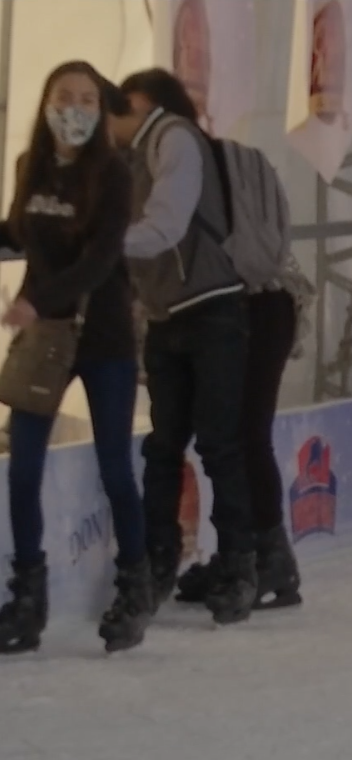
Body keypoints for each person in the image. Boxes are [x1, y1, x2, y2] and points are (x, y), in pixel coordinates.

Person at [117, 67, 303, 612]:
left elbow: (171, 233)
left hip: (250, 302)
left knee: (241, 434)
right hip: (237, 301)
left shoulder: (188, 156)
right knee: (227, 435)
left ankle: (265, 559)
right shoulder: (164, 162)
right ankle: (247, 557)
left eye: (132, 108)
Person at [0, 61, 150, 654]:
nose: (76, 109)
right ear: (46, 103)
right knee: (23, 467)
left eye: (88, 99)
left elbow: (101, 258)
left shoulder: (113, 174)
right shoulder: (30, 166)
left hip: (103, 337)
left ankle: (133, 587)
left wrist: (37, 301)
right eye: (66, 96)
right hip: (45, 342)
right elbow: (21, 233)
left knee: (115, 467)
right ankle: (27, 595)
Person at [106, 75, 258, 625]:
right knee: (163, 445)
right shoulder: (127, 157)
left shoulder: (172, 139)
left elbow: (165, 225)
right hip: (166, 314)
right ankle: (160, 559)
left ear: (139, 104)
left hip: (212, 308)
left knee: (219, 443)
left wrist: (97, 244)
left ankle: (238, 565)